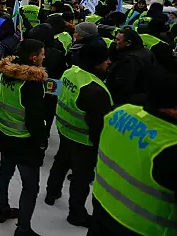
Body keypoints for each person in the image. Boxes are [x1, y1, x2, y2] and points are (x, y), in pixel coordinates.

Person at [87, 66, 177, 236]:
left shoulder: (121, 112)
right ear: (172, 108)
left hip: (103, 206)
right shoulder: (170, 145)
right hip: (143, 228)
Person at [45, 39, 114, 228]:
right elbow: (98, 126)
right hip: (83, 140)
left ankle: (52, 192)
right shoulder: (95, 90)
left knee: (61, 162)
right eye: (105, 59)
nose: (108, 63)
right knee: (81, 178)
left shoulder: (70, 72)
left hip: (65, 129)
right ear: (95, 61)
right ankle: (76, 213)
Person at [0, 39, 48, 236]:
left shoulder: (5, 73)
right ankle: (23, 229)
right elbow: (35, 121)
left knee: (5, 173)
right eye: (42, 54)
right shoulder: (31, 85)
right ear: (34, 58)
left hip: (5, 134)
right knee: (30, 186)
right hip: (24, 142)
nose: (44, 57)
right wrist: (42, 142)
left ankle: (3, 209)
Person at [26, 24, 67, 139]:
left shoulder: (31, 51)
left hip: (34, 86)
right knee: (48, 113)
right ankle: (45, 134)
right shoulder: (58, 53)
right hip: (52, 88)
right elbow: (61, 73)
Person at [106, 27, 158, 106]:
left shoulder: (129, 60)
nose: (115, 42)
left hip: (129, 101)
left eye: (118, 40)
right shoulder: (147, 52)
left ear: (128, 43)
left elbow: (123, 86)